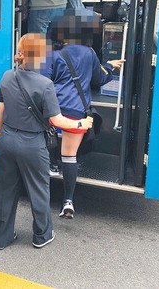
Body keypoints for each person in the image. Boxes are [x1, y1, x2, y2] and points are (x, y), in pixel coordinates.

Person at [0, 33, 93, 250]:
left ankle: (2, 237)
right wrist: (80, 125)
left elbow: (1, 108)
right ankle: (41, 235)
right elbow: (56, 120)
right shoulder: (45, 84)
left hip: (8, 139)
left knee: (6, 190)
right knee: (38, 189)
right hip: (32, 143)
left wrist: (0, 133)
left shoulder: (7, 76)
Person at [46, 13, 124, 219]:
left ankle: (49, 172)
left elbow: (44, 81)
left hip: (53, 109)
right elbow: (99, 79)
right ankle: (68, 202)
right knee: (70, 155)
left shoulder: (52, 52)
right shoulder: (88, 52)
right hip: (75, 110)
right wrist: (110, 67)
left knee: (45, 146)